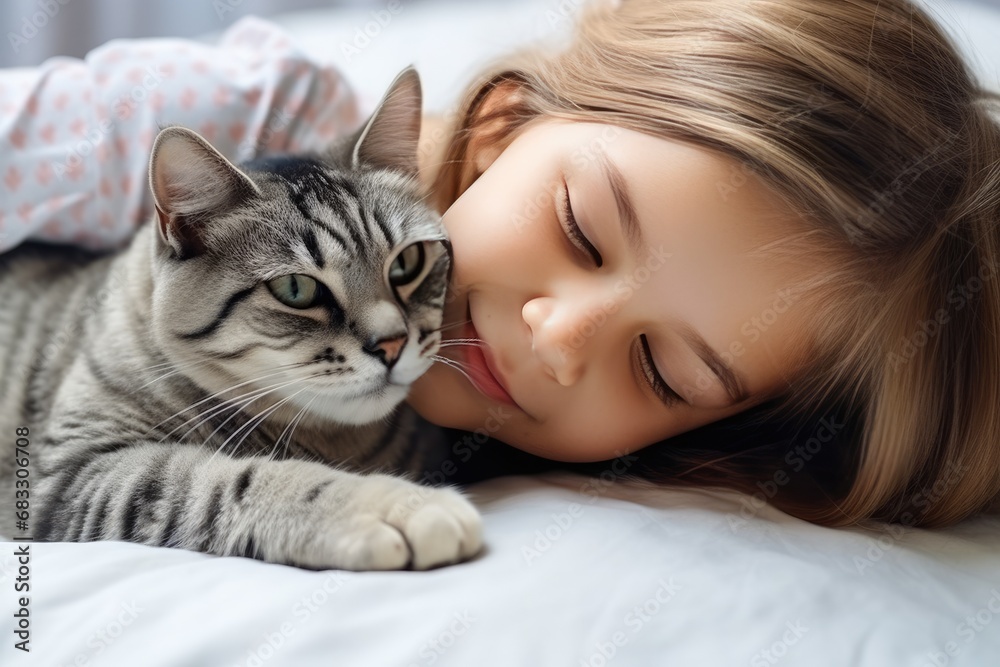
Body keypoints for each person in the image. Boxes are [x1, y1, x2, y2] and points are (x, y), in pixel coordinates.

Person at [2, 0, 999, 529]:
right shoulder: (252, 110)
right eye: (580, 231)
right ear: (499, 128)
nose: (554, 338)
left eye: (664, 371)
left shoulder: (609, 456)